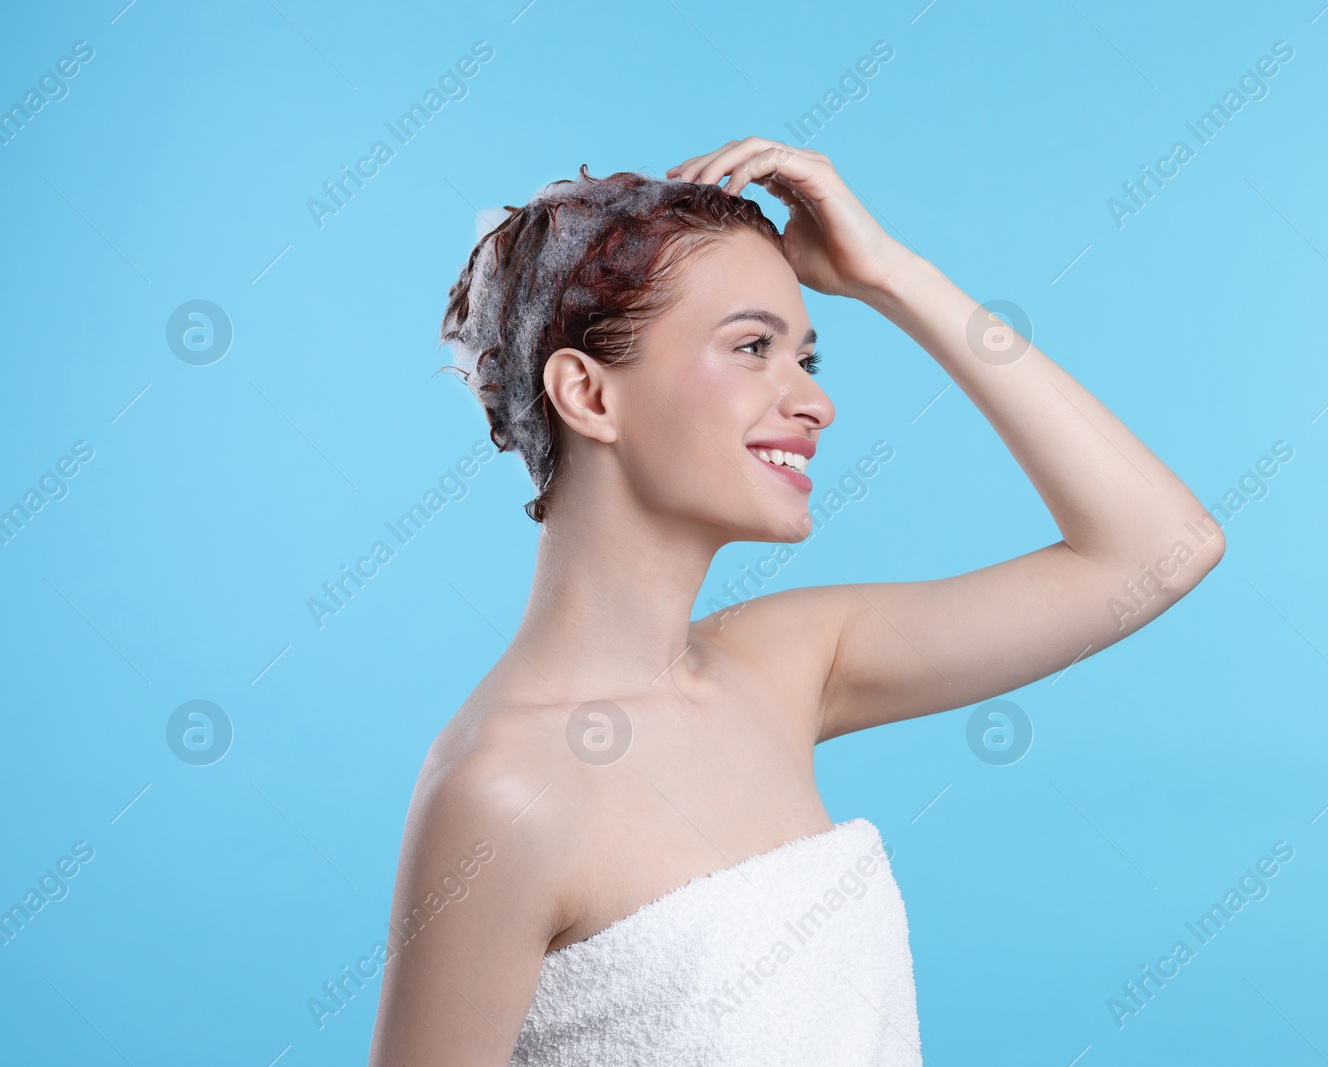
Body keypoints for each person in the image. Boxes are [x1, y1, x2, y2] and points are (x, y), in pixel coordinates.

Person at [366, 136, 1224, 1066]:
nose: (814, 401)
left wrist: (892, 273)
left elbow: (1160, 548)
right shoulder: (501, 791)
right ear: (589, 393)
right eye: (751, 348)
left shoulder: (786, 667)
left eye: (806, 355)